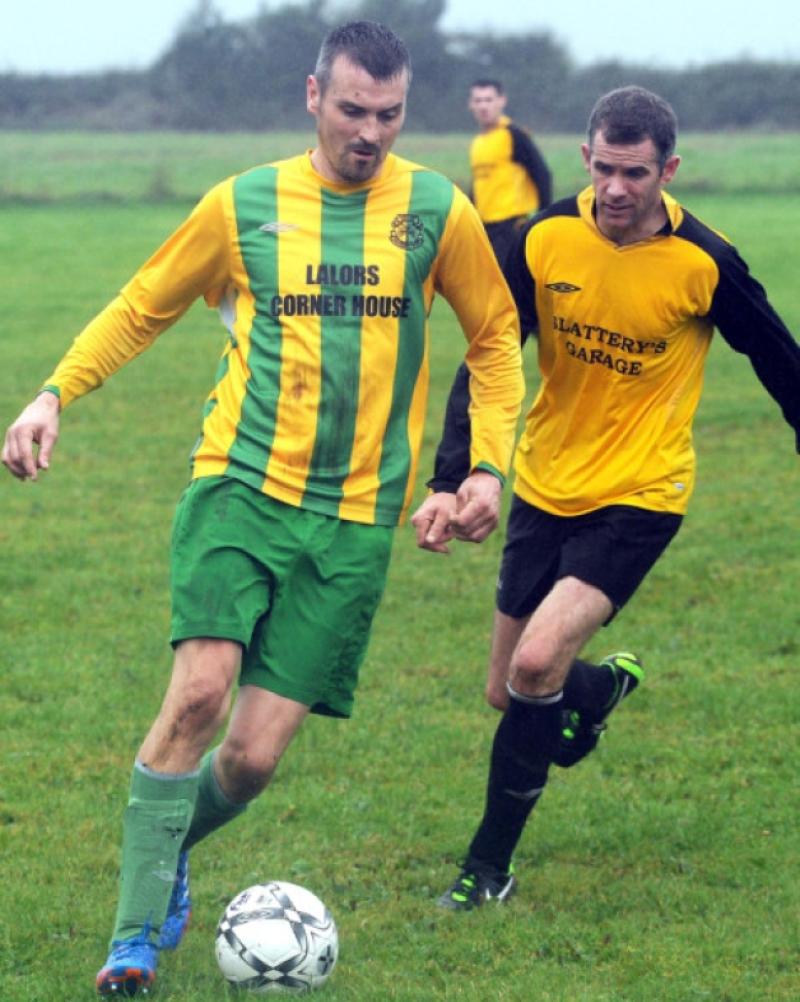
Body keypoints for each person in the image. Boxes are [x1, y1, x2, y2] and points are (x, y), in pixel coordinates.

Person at [2, 21, 524, 995]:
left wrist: (484, 469)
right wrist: (53, 394)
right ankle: (133, 941)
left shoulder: (433, 210)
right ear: (311, 95)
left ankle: (165, 851)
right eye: (352, 109)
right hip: (237, 487)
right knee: (198, 697)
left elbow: (494, 338)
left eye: (389, 114)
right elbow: (142, 303)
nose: (369, 132)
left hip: (356, 521)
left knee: (249, 760)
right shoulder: (242, 202)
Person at [412, 85, 800, 910]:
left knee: (532, 664)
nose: (616, 189)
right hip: (546, 485)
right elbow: (490, 356)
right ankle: (599, 691)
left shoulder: (706, 262)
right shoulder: (544, 236)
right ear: (585, 157)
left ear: (668, 169)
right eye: (603, 169)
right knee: (508, 691)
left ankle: (487, 869)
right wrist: (451, 477)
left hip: (640, 493)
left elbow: (777, 355)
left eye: (635, 173)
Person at [467, 78, 552, 267]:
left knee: (508, 286)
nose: (483, 106)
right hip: (486, 227)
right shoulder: (478, 142)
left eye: (488, 100)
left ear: (501, 101)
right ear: (471, 105)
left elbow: (542, 174)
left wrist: (544, 219)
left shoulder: (514, 135)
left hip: (511, 226)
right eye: (478, 100)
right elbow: (479, 184)